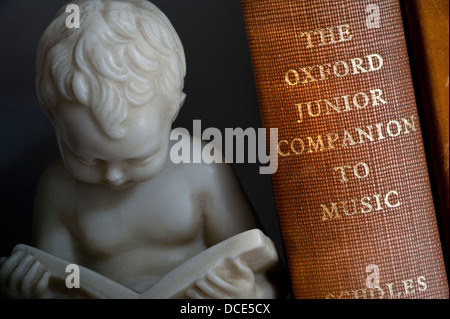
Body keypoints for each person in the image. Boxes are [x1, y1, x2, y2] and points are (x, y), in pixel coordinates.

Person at [0, 0, 280, 299]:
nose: (115, 175)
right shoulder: (59, 188)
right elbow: (57, 285)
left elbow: (270, 278)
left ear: (172, 111)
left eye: (140, 157)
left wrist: (247, 295)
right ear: (51, 116)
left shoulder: (201, 167)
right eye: (87, 158)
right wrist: (29, 292)